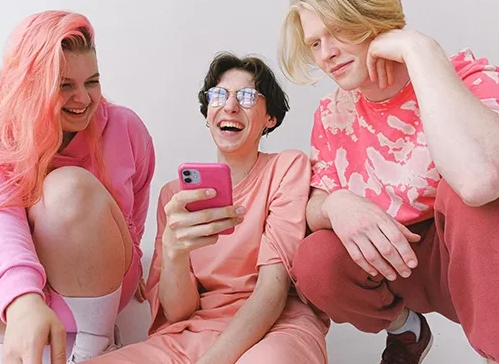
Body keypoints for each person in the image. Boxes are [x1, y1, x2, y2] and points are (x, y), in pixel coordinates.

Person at [279, 0, 499, 363]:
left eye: (339, 31)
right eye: (315, 43)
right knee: (315, 258)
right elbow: (314, 204)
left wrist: (418, 49)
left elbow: (481, 180)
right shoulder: (332, 113)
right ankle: (406, 329)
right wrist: (335, 203)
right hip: (394, 262)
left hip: (475, 259)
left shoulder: (464, 73)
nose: (327, 54)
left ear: (374, 20)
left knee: (470, 200)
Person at [0, 10, 155, 364]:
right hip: (30, 287)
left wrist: (130, 255)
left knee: (67, 189)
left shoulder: (126, 128)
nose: (83, 98)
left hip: (98, 281)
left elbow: (135, 211)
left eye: (92, 81)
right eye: (64, 85)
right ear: (29, 84)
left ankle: (96, 348)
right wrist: (22, 298)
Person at [88, 53, 329, 364]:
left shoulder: (286, 168)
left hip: (275, 328)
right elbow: (178, 313)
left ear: (270, 117)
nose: (229, 106)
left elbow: (273, 290)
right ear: (207, 113)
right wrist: (175, 253)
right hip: (194, 331)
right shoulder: (175, 196)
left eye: (246, 96)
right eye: (219, 95)